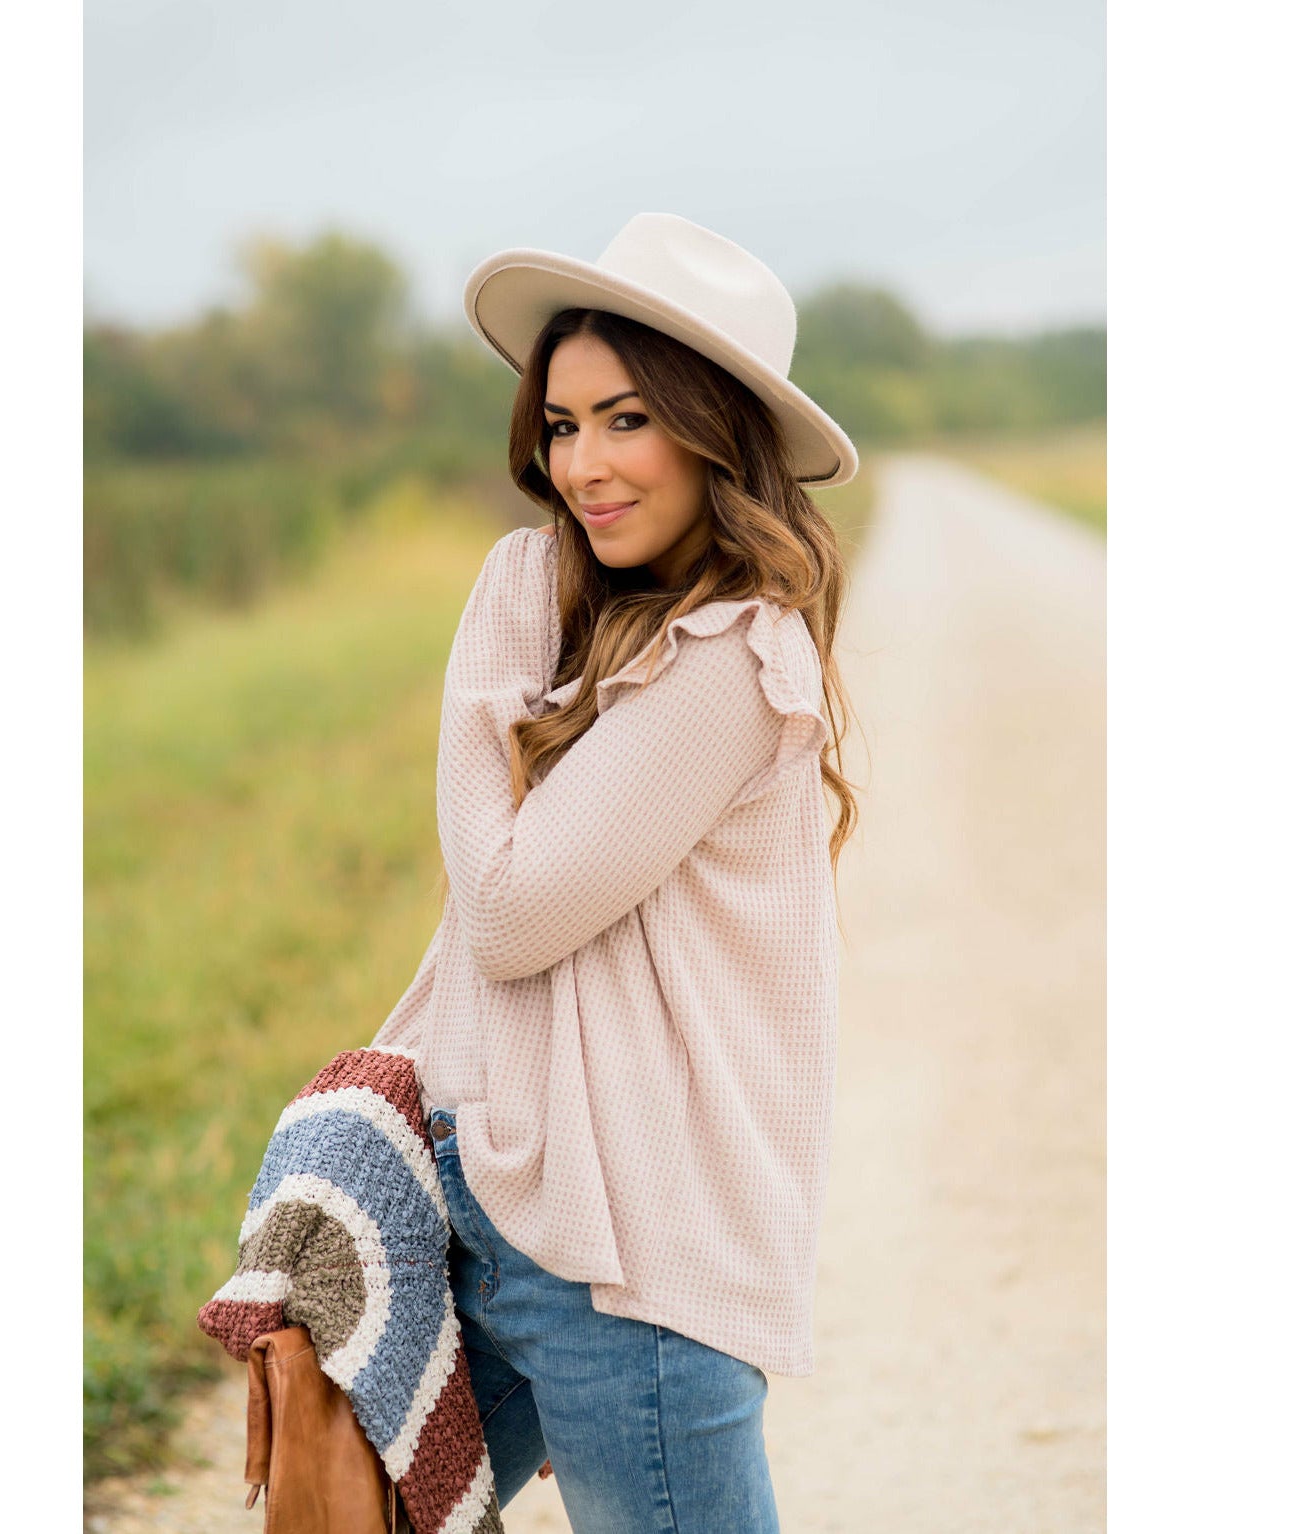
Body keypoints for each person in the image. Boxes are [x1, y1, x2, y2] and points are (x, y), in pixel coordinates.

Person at [369, 212, 862, 1534]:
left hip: (630, 1255)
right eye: (561, 424)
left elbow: (509, 912)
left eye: (627, 419)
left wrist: (493, 642)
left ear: (715, 434)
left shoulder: (729, 657)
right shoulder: (617, 623)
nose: (581, 465)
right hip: (509, 1206)